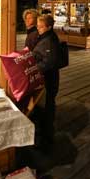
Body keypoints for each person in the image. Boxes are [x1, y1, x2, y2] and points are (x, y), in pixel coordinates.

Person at [32, 14, 61, 151]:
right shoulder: (46, 37)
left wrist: (33, 69)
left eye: (41, 26)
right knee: (47, 106)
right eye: (37, 25)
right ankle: (46, 136)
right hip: (49, 78)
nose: (38, 28)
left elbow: (49, 62)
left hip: (48, 80)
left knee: (47, 107)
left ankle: (47, 141)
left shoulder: (49, 40)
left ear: (49, 27)